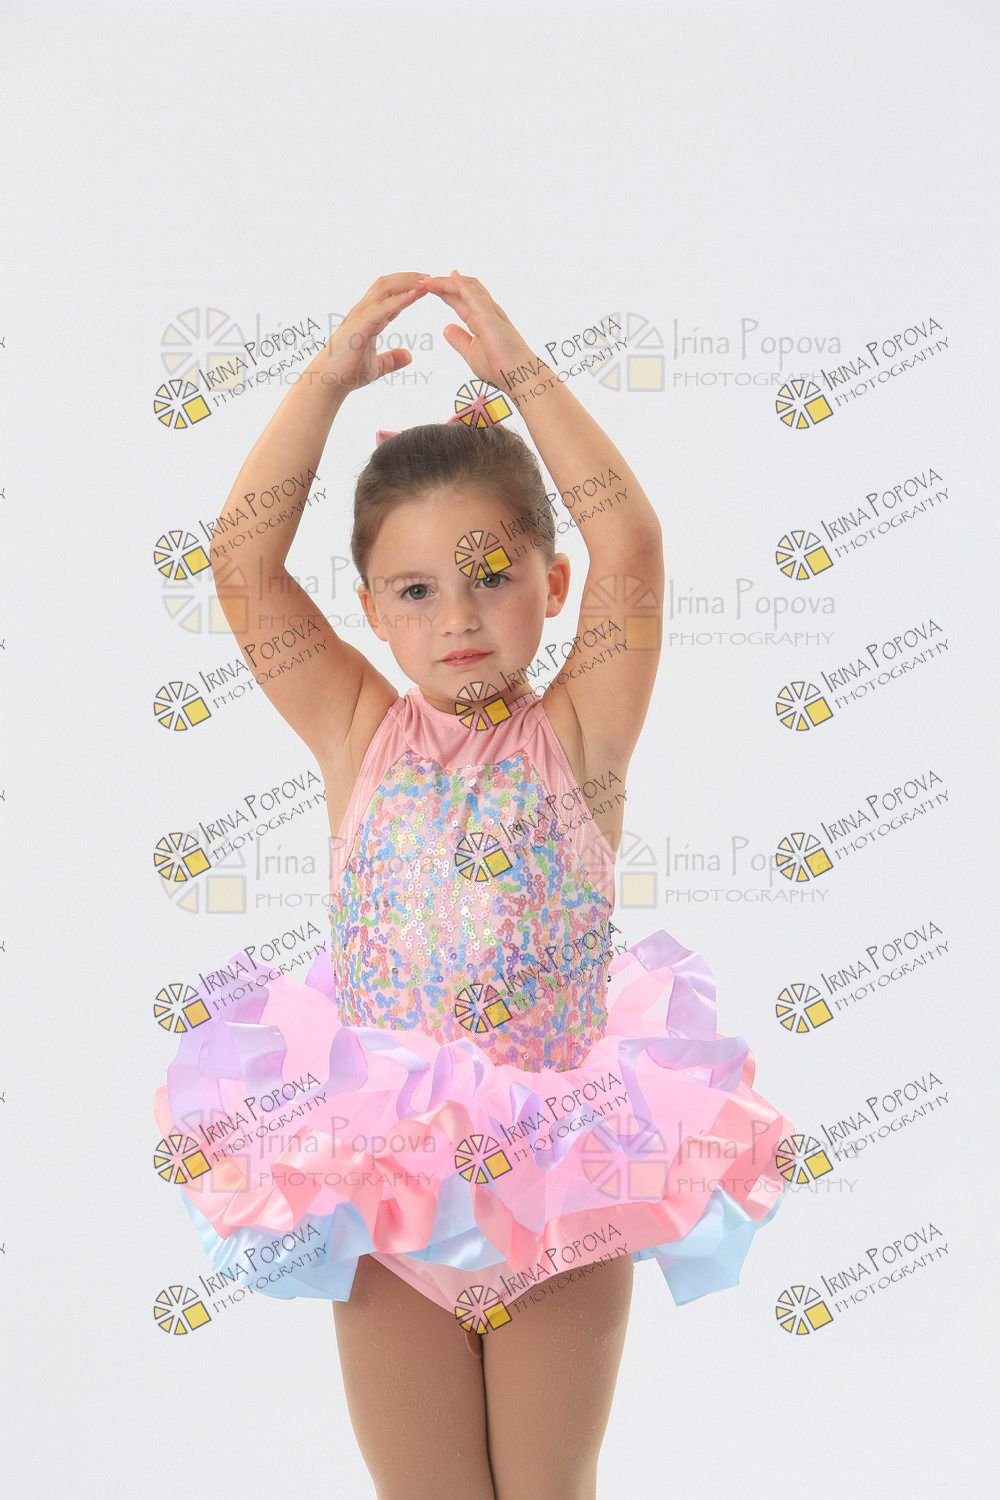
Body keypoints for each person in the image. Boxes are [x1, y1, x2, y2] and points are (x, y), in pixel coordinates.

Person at [154, 271, 798, 1500]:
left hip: (559, 1184)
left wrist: (521, 378)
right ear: (371, 611)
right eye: (416, 591)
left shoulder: (580, 737)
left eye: (492, 574)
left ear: (552, 584)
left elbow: (633, 545)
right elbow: (239, 563)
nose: (458, 616)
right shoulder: (357, 732)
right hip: (389, 1193)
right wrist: (325, 381)